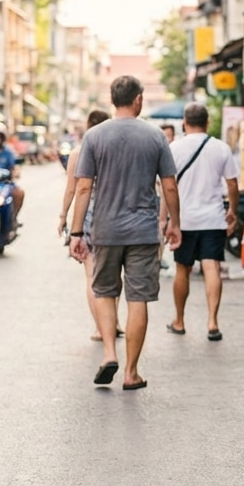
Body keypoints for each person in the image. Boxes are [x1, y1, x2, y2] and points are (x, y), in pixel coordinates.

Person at [69, 76, 180, 391]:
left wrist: (77, 231)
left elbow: (84, 187)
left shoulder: (94, 136)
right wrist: (175, 222)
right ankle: (131, 373)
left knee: (104, 291)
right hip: (144, 231)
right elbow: (169, 185)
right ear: (139, 100)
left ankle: (109, 353)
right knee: (138, 299)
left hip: (105, 229)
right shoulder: (155, 136)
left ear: (112, 99)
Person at [166, 103, 239, 341]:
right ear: (207, 123)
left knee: (182, 270)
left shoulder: (174, 148)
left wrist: (168, 219)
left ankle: (179, 320)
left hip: (184, 220)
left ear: (185, 123)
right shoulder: (220, 148)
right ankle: (212, 322)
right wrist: (233, 211)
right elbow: (232, 184)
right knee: (212, 267)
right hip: (213, 218)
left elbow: (168, 187)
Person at [59, 109, 119, 342]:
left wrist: (63, 216)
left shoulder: (78, 153)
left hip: (88, 216)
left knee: (92, 276)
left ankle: (100, 327)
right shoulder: (114, 151)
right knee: (114, 274)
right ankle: (114, 322)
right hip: (113, 215)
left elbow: (73, 189)